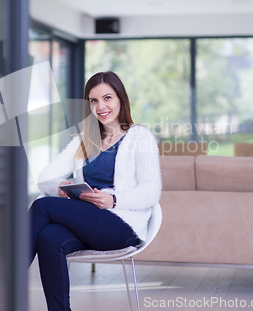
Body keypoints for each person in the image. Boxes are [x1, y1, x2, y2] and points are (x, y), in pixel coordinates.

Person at [31, 71, 162, 311]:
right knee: (48, 238)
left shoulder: (140, 137)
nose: (101, 106)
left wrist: (112, 199)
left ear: (121, 99)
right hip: (87, 222)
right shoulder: (85, 138)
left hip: (121, 226)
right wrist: (62, 187)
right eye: (93, 100)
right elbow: (45, 178)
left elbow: (151, 192)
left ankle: (2, 283)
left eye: (107, 98)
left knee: (42, 206)